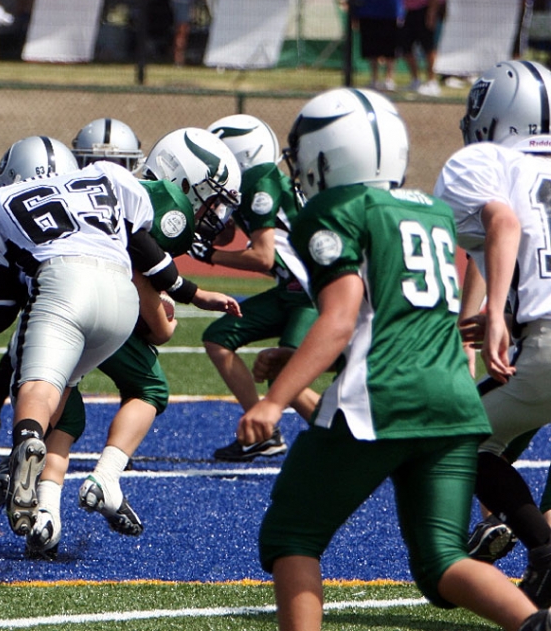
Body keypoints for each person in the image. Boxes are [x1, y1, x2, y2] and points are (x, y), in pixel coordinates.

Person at [235, 86, 550, 631]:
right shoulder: (430, 210)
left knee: (292, 535)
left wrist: (276, 401)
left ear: (327, 153)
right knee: (442, 559)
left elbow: (340, 317)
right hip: (453, 403)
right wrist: (298, 357)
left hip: (381, 401)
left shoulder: (336, 208)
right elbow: (402, 325)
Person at [0, 130, 240, 541]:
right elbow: (147, 253)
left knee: (43, 387)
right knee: (84, 388)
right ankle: (49, 500)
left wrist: (18, 278)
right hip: (119, 301)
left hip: (62, 289)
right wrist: (194, 295)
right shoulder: (105, 178)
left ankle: (24, 453)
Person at [434, 59, 551, 608]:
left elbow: (503, 223)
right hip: (540, 329)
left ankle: (545, 553)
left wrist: (504, 315)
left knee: (458, 440)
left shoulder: (486, 160)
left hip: (543, 342)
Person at [195, 114, 317, 462]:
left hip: (311, 292)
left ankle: (344, 441)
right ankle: (264, 435)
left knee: (286, 374)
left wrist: (211, 255)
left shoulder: (260, 179)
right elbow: (228, 230)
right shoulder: (253, 181)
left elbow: (263, 257)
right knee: (219, 338)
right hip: (292, 289)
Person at [339, 0, 399, 91]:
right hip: (367, 11)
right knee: (371, 47)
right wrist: (353, 12)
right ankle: (374, 79)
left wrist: (400, 12)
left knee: (389, 47)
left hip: (388, 11)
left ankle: (389, 79)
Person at [399, 0, 444, 96]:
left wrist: (431, 13)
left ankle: (432, 81)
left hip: (424, 9)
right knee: (405, 46)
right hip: (409, 10)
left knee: (428, 46)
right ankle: (416, 80)